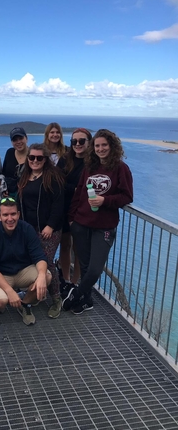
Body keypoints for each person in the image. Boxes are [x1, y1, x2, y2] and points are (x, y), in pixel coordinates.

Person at [63, 129, 133, 315]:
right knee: (85, 267)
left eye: (104, 145)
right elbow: (79, 193)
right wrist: (72, 219)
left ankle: (75, 294)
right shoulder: (90, 167)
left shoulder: (120, 168)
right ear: (93, 148)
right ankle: (87, 301)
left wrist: (105, 201)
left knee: (94, 269)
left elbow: (127, 196)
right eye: (97, 145)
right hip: (81, 223)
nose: (100, 149)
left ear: (112, 146)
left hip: (104, 227)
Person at [0, 197, 51, 326]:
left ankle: (25, 304)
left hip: (22, 271)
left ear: (18, 214)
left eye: (13, 214)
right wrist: (9, 291)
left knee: (46, 276)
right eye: (5, 215)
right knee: (1, 302)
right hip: (2, 274)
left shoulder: (27, 229)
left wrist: (41, 276)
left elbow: (39, 256)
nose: (10, 218)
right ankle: (4, 302)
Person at [18, 143, 64, 319]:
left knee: (46, 263)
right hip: (29, 228)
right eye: (32, 157)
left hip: (48, 229)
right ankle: (37, 294)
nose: (35, 161)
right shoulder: (25, 175)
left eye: (39, 158)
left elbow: (59, 204)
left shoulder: (53, 176)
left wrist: (50, 225)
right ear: (28, 158)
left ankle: (56, 299)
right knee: (32, 262)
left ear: (45, 159)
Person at [57, 128, 92, 294]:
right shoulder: (65, 159)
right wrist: (76, 189)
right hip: (64, 207)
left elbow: (87, 188)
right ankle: (65, 279)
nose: (77, 144)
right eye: (74, 141)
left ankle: (76, 281)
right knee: (65, 245)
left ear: (89, 142)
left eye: (81, 141)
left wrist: (72, 188)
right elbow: (58, 182)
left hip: (82, 210)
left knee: (79, 248)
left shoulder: (93, 163)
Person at [2, 127, 28, 198]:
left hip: (27, 196)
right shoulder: (10, 152)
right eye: (15, 140)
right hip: (10, 196)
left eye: (21, 138)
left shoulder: (33, 155)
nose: (18, 142)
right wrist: (4, 188)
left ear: (26, 138)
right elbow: (4, 174)